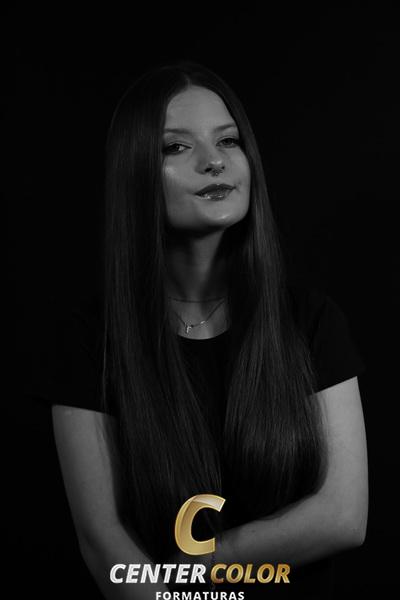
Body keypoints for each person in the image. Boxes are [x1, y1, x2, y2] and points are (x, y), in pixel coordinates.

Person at [36, 60, 368, 599]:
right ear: (135, 173)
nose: (214, 161)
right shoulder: (89, 343)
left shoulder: (310, 321)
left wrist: (200, 565)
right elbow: (103, 544)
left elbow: (343, 516)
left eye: (229, 141)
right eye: (176, 147)